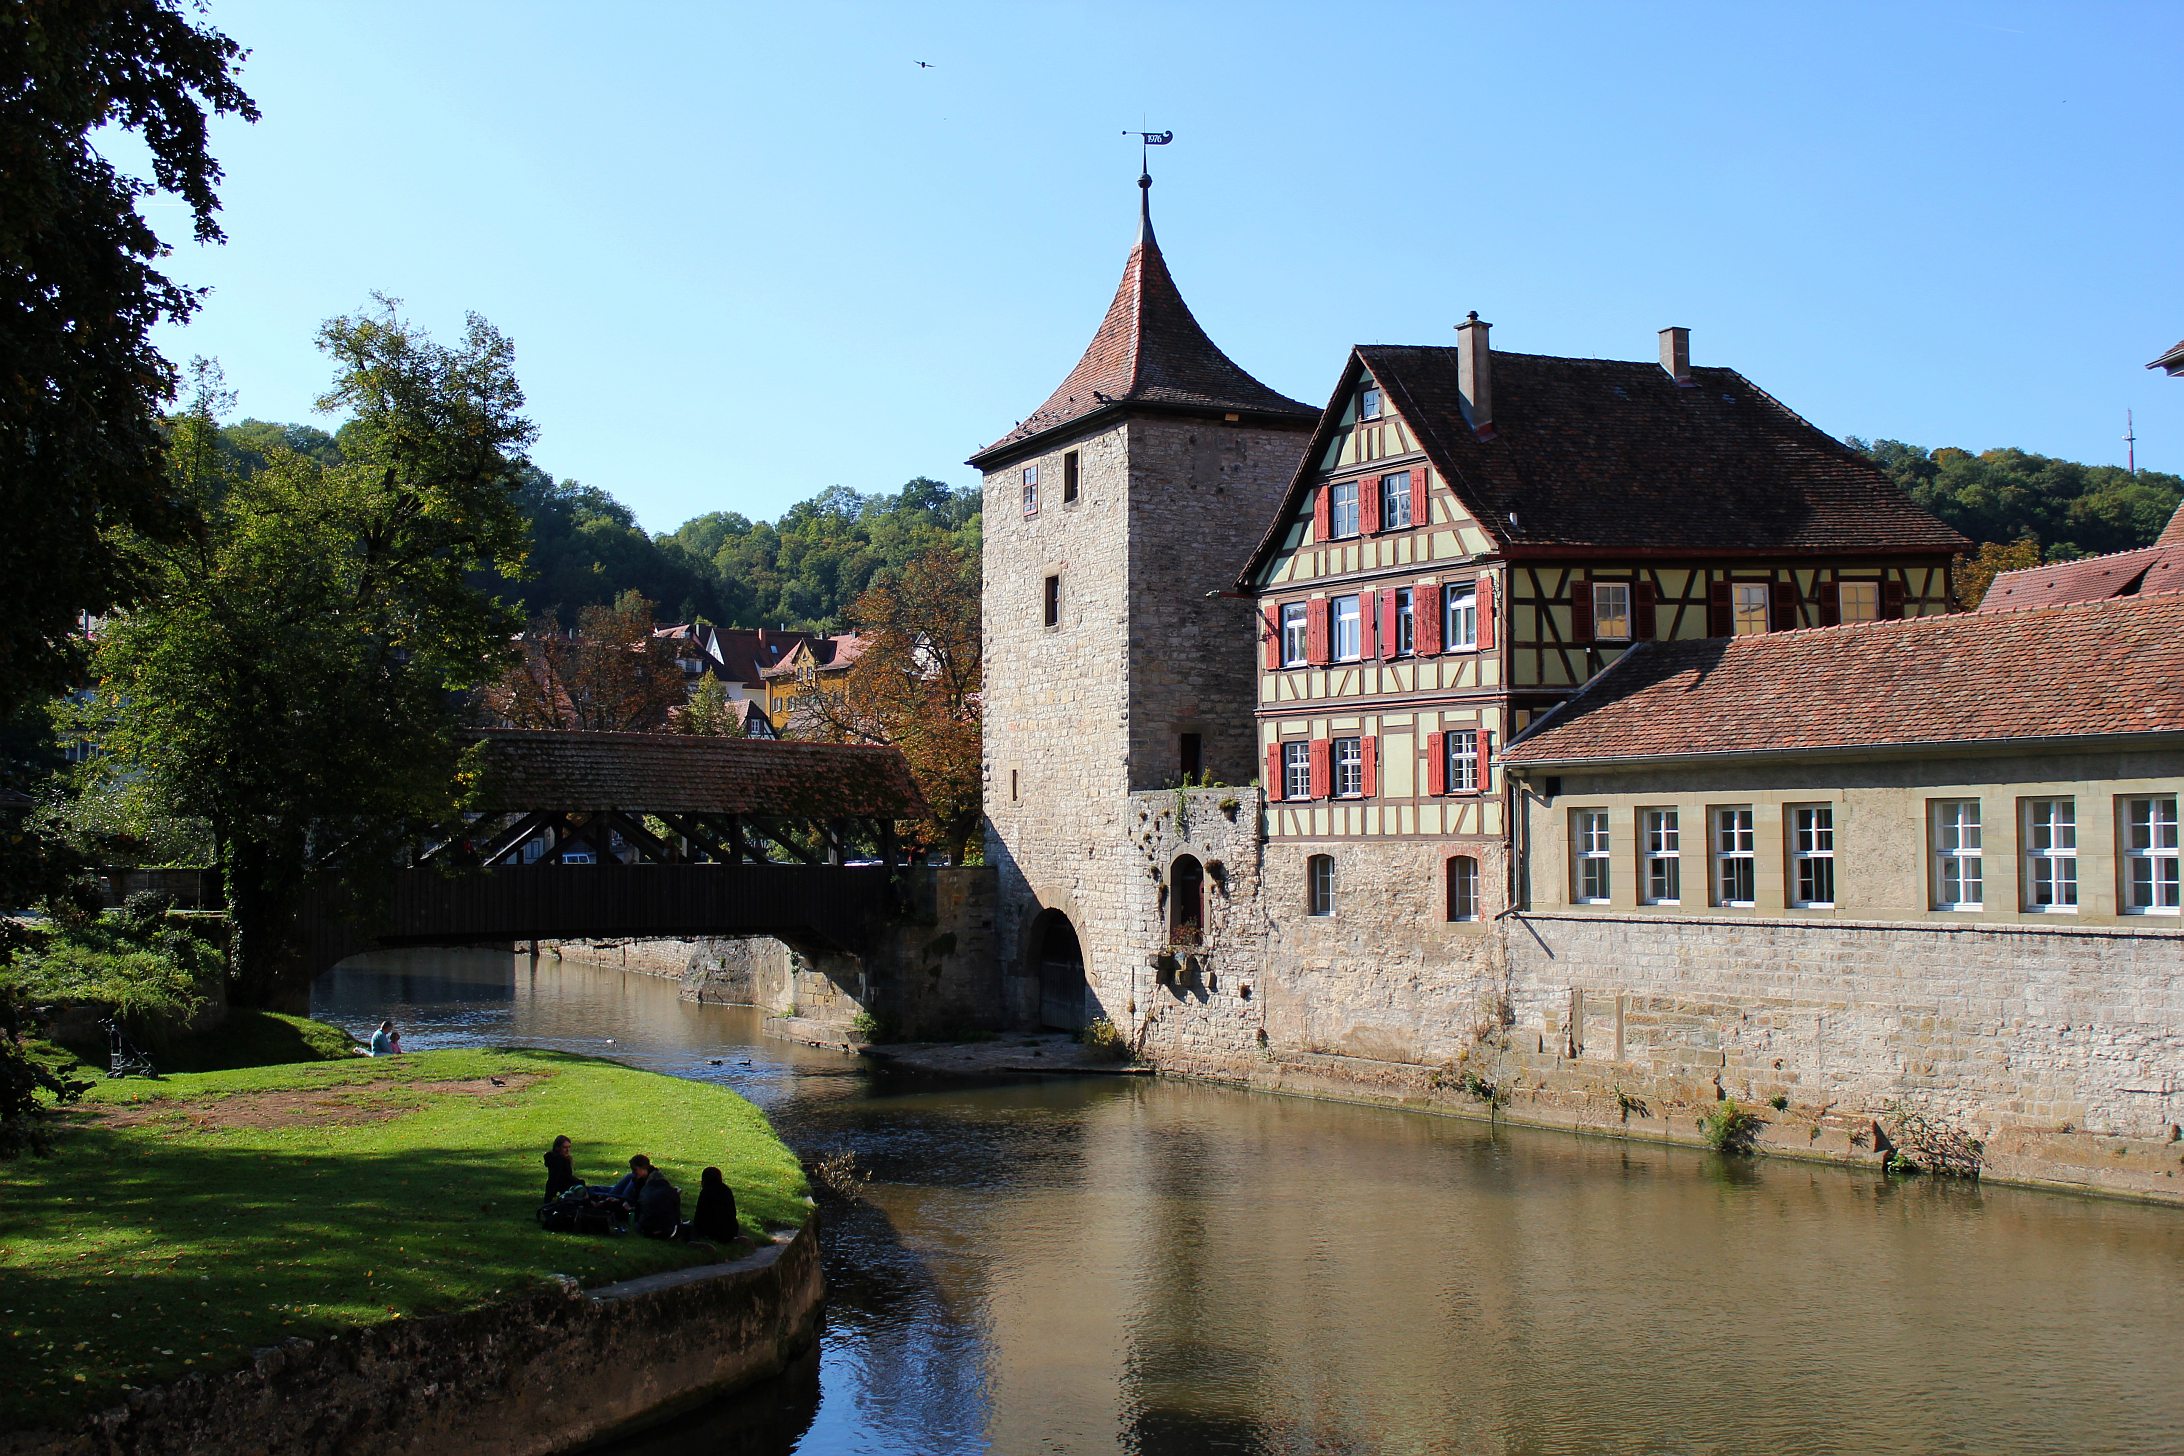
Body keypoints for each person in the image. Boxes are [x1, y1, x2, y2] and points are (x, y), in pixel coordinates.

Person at [609, 1154, 685, 1239]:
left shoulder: (651, 1184)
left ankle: (599, 1195)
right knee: (618, 1188)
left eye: (635, 1170)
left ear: (643, 1167)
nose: (634, 1172)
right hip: (635, 1201)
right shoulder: (640, 1178)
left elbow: (643, 1203)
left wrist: (629, 1206)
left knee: (616, 1196)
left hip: (635, 1205)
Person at [690, 1166, 739, 1243]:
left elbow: (699, 1215)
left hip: (712, 1232)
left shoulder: (706, 1192)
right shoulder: (726, 1190)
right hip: (730, 1232)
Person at [543, 1135, 579, 1202]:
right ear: (557, 1148)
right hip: (562, 1187)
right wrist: (580, 1183)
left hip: (555, 1187)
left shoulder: (556, 1158)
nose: (567, 1150)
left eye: (569, 1147)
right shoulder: (559, 1160)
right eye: (565, 1147)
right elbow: (563, 1178)